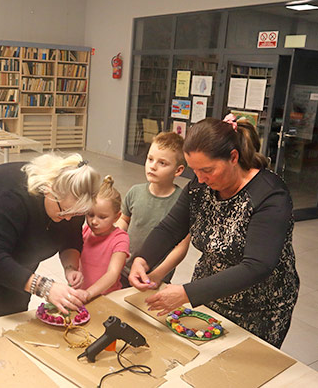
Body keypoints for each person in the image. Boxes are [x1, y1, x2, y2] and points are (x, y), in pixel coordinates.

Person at [129, 115, 300, 348]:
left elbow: (257, 266)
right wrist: (142, 259)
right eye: (195, 170)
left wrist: (187, 293)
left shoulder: (269, 195)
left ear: (233, 157)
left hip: (259, 308)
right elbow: (170, 228)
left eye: (207, 170)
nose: (199, 178)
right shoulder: (200, 186)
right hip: (210, 293)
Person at [0, 153, 100, 322]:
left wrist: (70, 268)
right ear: (49, 190)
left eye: (76, 214)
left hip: (12, 243)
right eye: (64, 212)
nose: (69, 218)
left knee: (16, 310)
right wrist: (46, 287)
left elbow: (71, 238)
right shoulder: (13, 197)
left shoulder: (72, 204)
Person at [116, 132, 190, 287]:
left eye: (162, 163)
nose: (153, 166)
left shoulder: (182, 203)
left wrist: (158, 275)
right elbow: (124, 220)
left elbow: (181, 247)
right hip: (124, 270)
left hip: (157, 278)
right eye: (150, 159)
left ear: (178, 170)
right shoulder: (135, 192)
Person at [77, 175, 129, 301]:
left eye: (102, 217)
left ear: (117, 217)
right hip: (81, 295)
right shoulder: (86, 230)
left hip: (107, 298)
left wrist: (88, 293)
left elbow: (112, 274)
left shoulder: (120, 239)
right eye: (90, 215)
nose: (94, 221)